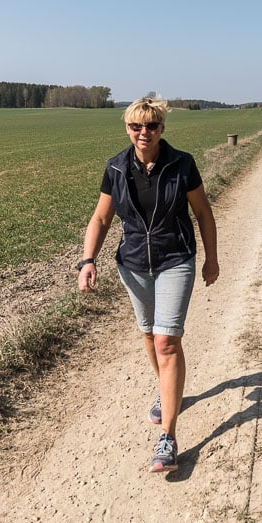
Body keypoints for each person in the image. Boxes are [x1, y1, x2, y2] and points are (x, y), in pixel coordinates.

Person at [77, 96, 220, 473]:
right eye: (136, 126)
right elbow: (101, 219)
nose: (144, 133)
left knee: (166, 340)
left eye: (151, 126)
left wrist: (212, 258)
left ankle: (168, 437)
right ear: (127, 128)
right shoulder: (116, 168)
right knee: (147, 332)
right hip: (134, 265)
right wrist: (88, 260)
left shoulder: (182, 164)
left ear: (162, 128)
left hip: (176, 259)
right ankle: (167, 391)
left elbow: (203, 213)